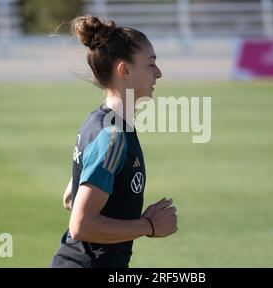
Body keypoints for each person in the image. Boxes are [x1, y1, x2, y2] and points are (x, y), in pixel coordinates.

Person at [50, 15, 178, 268]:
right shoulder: (113, 136)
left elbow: (70, 198)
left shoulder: (101, 122)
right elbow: (80, 225)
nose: (159, 73)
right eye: (151, 64)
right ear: (125, 70)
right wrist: (148, 226)